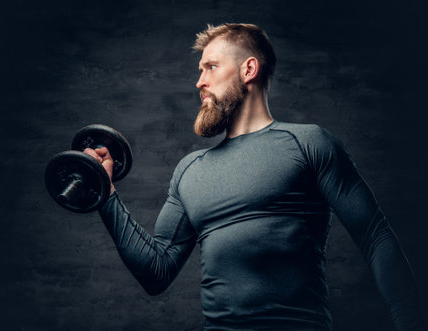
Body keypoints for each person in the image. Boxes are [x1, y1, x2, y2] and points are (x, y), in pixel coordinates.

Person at [84, 23, 425, 330]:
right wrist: (105, 191)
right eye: (200, 70)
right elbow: (156, 272)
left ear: (248, 69)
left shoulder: (307, 143)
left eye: (211, 67)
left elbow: (376, 238)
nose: (199, 81)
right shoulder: (190, 170)